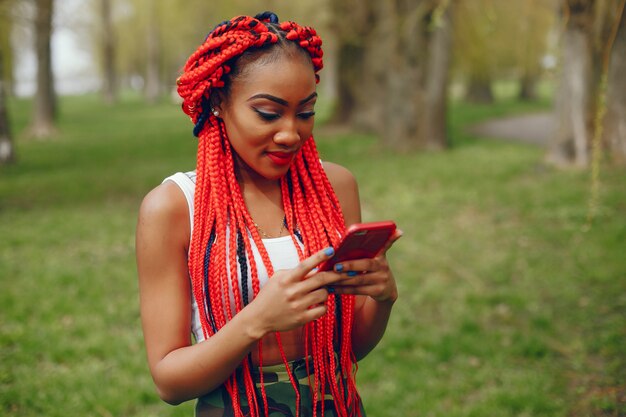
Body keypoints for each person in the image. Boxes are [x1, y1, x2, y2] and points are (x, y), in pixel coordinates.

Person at [136, 11, 402, 417]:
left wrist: (382, 299)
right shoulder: (173, 207)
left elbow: (350, 348)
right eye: (268, 112)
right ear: (218, 103)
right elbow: (169, 382)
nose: (290, 133)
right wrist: (256, 321)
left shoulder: (336, 187)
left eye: (306, 112)